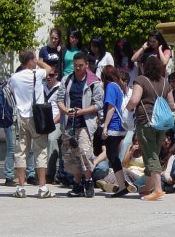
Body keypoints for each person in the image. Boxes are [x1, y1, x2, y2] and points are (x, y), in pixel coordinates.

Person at [126, 56, 175, 201]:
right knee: (152, 153)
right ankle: (147, 188)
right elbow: (171, 104)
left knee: (150, 155)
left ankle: (158, 189)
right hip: (161, 124)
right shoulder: (165, 82)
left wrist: (127, 108)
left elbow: (134, 100)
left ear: (143, 66)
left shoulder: (141, 80)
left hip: (146, 121)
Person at [57, 52, 104, 198]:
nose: (77, 68)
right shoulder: (67, 79)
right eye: (75, 66)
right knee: (71, 155)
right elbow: (59, 100)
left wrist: (82, 112)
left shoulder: (94, 82)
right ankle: (77, 184)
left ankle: (88, 181)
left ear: (86, 65)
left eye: (80, 66)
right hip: (69, 123)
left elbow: (99, 104)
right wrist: (66, 110)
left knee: (84, 152)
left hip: (85, 123)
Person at [8, 49, 54, 198]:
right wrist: (39, 61)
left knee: (21, 151)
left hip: (21, 116)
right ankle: (42, 187)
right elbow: (49, 69)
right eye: (34, 59)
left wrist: (32, 59)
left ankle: (21, 187)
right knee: (40, 149)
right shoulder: (37, 73)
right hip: (37, 116)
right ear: (30, 60)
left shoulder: (14, 78)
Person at [101, 65, 136, 197]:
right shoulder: (119, 87)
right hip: (120, 126)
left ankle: (122, 185)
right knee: (113, 155)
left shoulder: (110, 86)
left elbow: (111, 107)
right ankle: (122, 183)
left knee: (112, 155)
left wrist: (105, 126)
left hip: (113, 126)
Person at [44, 67, 62, 184]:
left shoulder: (61, 87)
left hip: (57, 121)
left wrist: (53, 122)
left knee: (52, 139)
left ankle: (50, 173)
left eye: (51, 75)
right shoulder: (41, 87)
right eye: (46, 76)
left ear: (56, 75)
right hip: (43, 122)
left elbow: (62, 110)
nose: (48, 78)